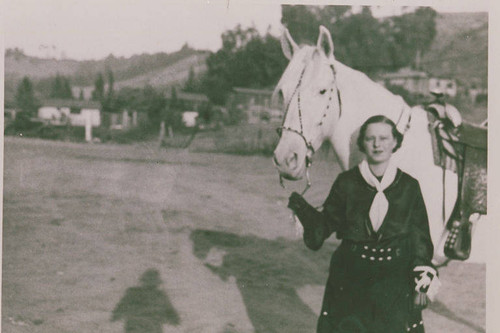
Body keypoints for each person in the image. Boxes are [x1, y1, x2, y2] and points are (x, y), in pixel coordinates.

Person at [288, 115, 439, 333]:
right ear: (362, 144)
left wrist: (422, 283)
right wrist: (302, 210)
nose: (378, 145)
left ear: (395, 142)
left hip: (395, 280)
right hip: (350, 276)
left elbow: (420, 238)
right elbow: (324, 226)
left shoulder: (409, 186)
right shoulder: (346, 182)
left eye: (384, 138)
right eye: (370, 139)